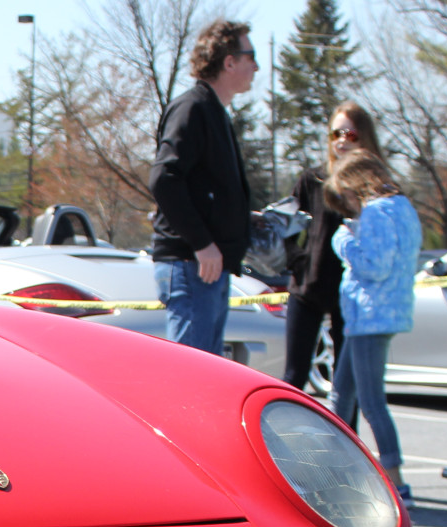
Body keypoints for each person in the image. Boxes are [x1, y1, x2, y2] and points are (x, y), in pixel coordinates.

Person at [149, 19, 258, 355]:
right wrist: (202, 243)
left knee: (205, 373)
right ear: (229, 62)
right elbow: (163, 179)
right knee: (190, 376)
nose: (256, 67)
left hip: (207, 268)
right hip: (192, 265)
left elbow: (204, 189)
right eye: (251, 56)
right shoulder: (193, 108)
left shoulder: (215, 112)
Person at [326, 148, 422, 506]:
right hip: (378, 314)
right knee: (341, 395)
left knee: (370, 402)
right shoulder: (403, 208)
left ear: (359, 185)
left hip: (370, 315)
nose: (349, 204)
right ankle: (333, 471)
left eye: (349, 195)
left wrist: (343, 241)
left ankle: (396, 481)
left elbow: (374, 266)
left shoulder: (378, 212)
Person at [282, 103, 384, 389]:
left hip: (350, 292)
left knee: (347, 382)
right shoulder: (312, 179)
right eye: (336, 134)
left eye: (351, 134)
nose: (342, 141)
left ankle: (344, 422)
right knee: (293, 378)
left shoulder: (375, 186)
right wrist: (298, 261)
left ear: (364, 137)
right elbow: (285, 228)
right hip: (308, 288)